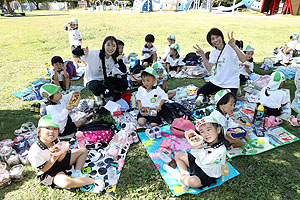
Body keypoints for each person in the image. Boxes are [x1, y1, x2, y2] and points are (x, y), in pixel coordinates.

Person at [27, 115, 104, 192]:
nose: (52, 131)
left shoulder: (55, 141)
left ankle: (77, 172)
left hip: (58, 161)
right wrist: (53, 159)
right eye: (47, 128)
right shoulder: (35, 151)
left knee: (83, 151)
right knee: (66, 183)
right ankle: (94, 180)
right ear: (38, 132)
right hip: (49, 171)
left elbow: (60, 159)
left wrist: (63, 151)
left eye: (55, 129)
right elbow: (43, 169)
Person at [174, 116, 230, 188]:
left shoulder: (220, 150)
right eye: (202, 132)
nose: (206, 134)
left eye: (209, 130)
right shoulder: (204, 142)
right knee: (178, 155)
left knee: (194, 182)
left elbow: (205, 161)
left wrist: (200, 149)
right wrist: (194, 146)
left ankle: (181, 177)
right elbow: (195, 155)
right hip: (198, 162)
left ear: (218, 130)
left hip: (208, 173)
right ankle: (185, 175)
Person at [193, 28, 247, 101]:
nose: (215, 40)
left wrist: (234, 46)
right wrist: (203, 55)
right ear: (210, 42)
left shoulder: (231, 47)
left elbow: (243, 59)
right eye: (213, 39)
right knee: (200, 92)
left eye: (217, 37)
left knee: (226, 101)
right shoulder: (214, 52)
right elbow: (209, 68)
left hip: (230, 83)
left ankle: (235, 91)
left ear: (221, 37)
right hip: (217, 81)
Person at [209, 89, 263, 154]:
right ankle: (244, 146)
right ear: (220, 104)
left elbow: (229, 122)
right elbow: (216, 131)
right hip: (218, 137)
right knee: (235, 139)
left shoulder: (224, 113)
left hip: (226, 131)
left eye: (234, 105)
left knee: (242, 130)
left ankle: (250, 141)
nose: (232, 108)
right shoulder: (216, 116)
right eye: (231, 105)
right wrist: (226, 132)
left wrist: (237, 126)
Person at [80, 36, 128, 105]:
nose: (110, 48)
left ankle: (108, 92)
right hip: (91, 80)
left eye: (113, 46)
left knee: (124, 84)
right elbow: (78, 53)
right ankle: (98, 96)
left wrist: (120, 61)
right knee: (97, 87)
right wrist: (83, 52)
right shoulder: (96, 53)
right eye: (108, 45)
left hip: (105, 79)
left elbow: (123, 71)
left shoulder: (114, 57)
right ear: (104, 45)